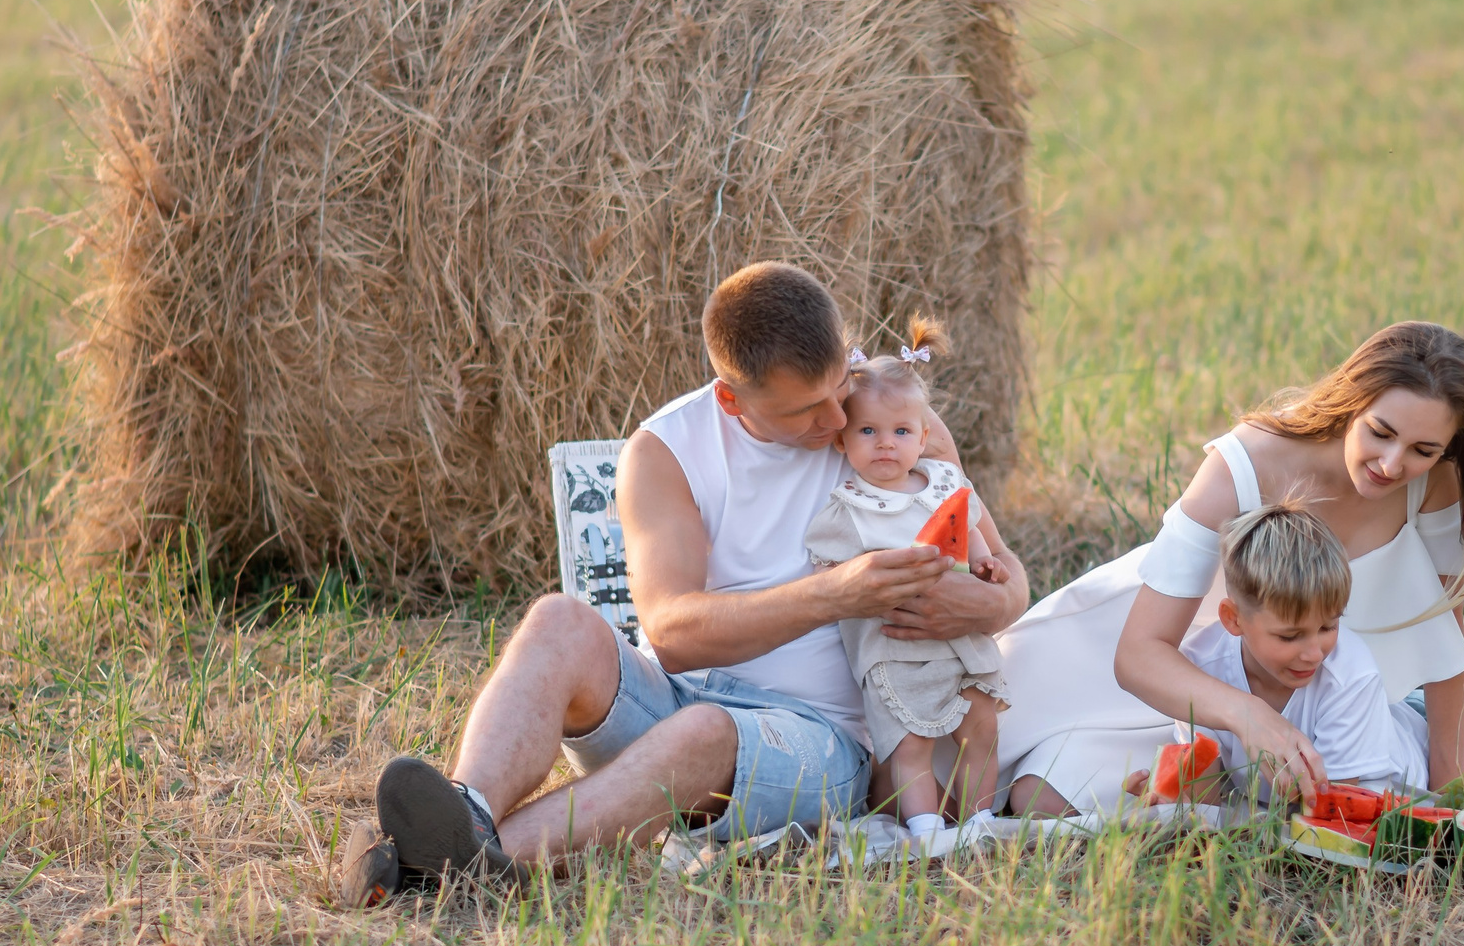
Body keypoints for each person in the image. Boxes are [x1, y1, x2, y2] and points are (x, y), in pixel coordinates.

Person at [341, 262, 1031, 902]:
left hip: (827, 744)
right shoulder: (667, 449)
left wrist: (987, 599)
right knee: (557, 619)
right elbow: (670, 634)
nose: (836, 420)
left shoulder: (893, 422)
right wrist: (836, 592)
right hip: (678, 699)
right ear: (733, 400)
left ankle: (448, 870)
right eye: (805, 411)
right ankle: (468, 809)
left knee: (707, 729)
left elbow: (1008, 581)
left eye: (837, 388)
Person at [995, 321, 1464, 817]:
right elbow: (1138, 655)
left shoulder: (1435, 483)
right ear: (1352, 399)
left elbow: (1446, 640)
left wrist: (1446, 782)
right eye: (1381, 431)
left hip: (1326, 687)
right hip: (1176, 675)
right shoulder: (1243, 465)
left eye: (1423, 448)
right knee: (1032, 797)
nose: (1393, 465)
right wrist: (1249, 716)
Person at [1121, 503, 1464, 806]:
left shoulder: (1347, 676)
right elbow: (1222, 776)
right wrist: (1184, 785)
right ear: (1233, 621)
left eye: (1328, 626)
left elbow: (1345, 813)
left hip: (1426, 758)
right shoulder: (1201, 668)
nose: (1313, 650)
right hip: (1393, 716)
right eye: (1290, 636)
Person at [803, 317, 1010, 842]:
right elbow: (831, 580)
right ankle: (925, 828)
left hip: (962, 636)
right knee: (908, 742)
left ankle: (980, 819)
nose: (885, 445)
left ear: (923, 437)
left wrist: (988, 566)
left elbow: (970, 535)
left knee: (981, 725)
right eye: (867, 432)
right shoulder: (846, 508)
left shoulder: (946, 482)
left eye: (900, 432)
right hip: (893, 646)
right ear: (842, 441)